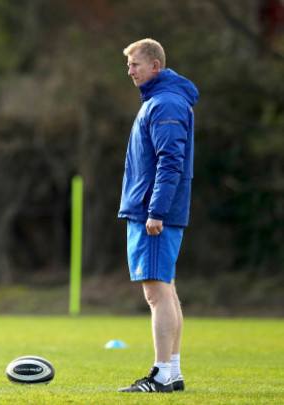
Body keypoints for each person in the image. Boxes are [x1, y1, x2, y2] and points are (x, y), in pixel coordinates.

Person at [117, 39, 199, 393]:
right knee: (166, 290)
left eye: (136, 64)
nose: (131, 71)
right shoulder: (160, 99)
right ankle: (173, 372)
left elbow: (170, 161)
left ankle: (162, 372)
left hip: (155, 214)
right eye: (129, 66)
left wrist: (156, 211)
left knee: (156, 294)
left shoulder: (165, 102)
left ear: (155, 66)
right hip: (155, 211)